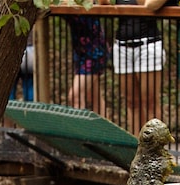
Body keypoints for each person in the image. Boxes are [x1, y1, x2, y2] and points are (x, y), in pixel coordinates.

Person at [113, 0, 167, 135]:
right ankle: (138, 146)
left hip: (148, 44)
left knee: (150, 102)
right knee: (131, 102)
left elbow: (148, 5)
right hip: (122, 45)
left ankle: (155, 149)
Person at [64, 13, 110, 116]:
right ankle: (106, 131)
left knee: (75, 95)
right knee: (94, 97)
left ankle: (78, 132)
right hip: (80, 52)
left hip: (95, 50)